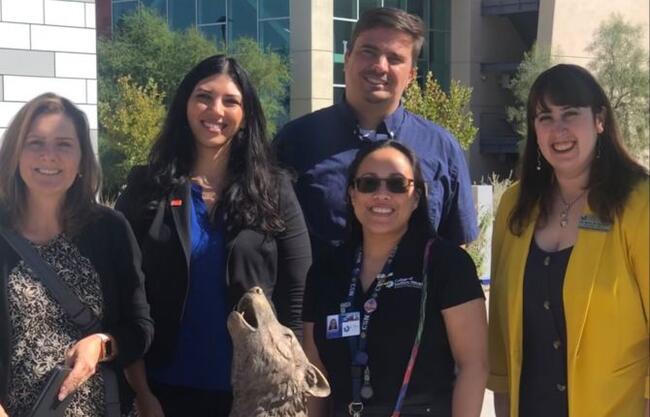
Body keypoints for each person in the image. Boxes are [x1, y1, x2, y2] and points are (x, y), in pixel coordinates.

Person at [115, 55, 312, 417]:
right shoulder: (147, 187)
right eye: (203, 96)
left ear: (246, 114)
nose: (215, 110)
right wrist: (141, 392)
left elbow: (297, 292)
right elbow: (122, 291)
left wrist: (292, 380)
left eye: (230, 101)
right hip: (162, 390)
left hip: (256, 393)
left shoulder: (274, 189)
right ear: (185, 105)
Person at [488, 64, 649, 417]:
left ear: (600, 120)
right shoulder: (515, 205)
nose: (558, 129)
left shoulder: (640, 204)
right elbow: (500, 318)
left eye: (570, 114)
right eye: (545, 117)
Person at [275, 7, 477, 261]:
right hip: (319, 299)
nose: (379, 66)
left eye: (394, 58)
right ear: (347, 58)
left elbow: (456, 250)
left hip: (416, 300)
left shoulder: (441, 148)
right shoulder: (295, 141)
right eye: (368, 52)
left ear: (412, 75)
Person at [302, 140, 487, 417]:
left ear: (416, 198)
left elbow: (474, 365)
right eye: (368, 184)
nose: (382, 194)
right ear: (352, 194)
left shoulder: (447, 265)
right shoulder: (325, 271)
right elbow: (314, 372)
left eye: (397, 184)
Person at [0, 93, 153, 417]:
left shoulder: (109, 228)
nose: (49, 156)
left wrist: (102, 344)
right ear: (15, 153)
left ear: (83, 159)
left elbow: (140, 327)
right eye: (35, 142)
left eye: (64, 144)